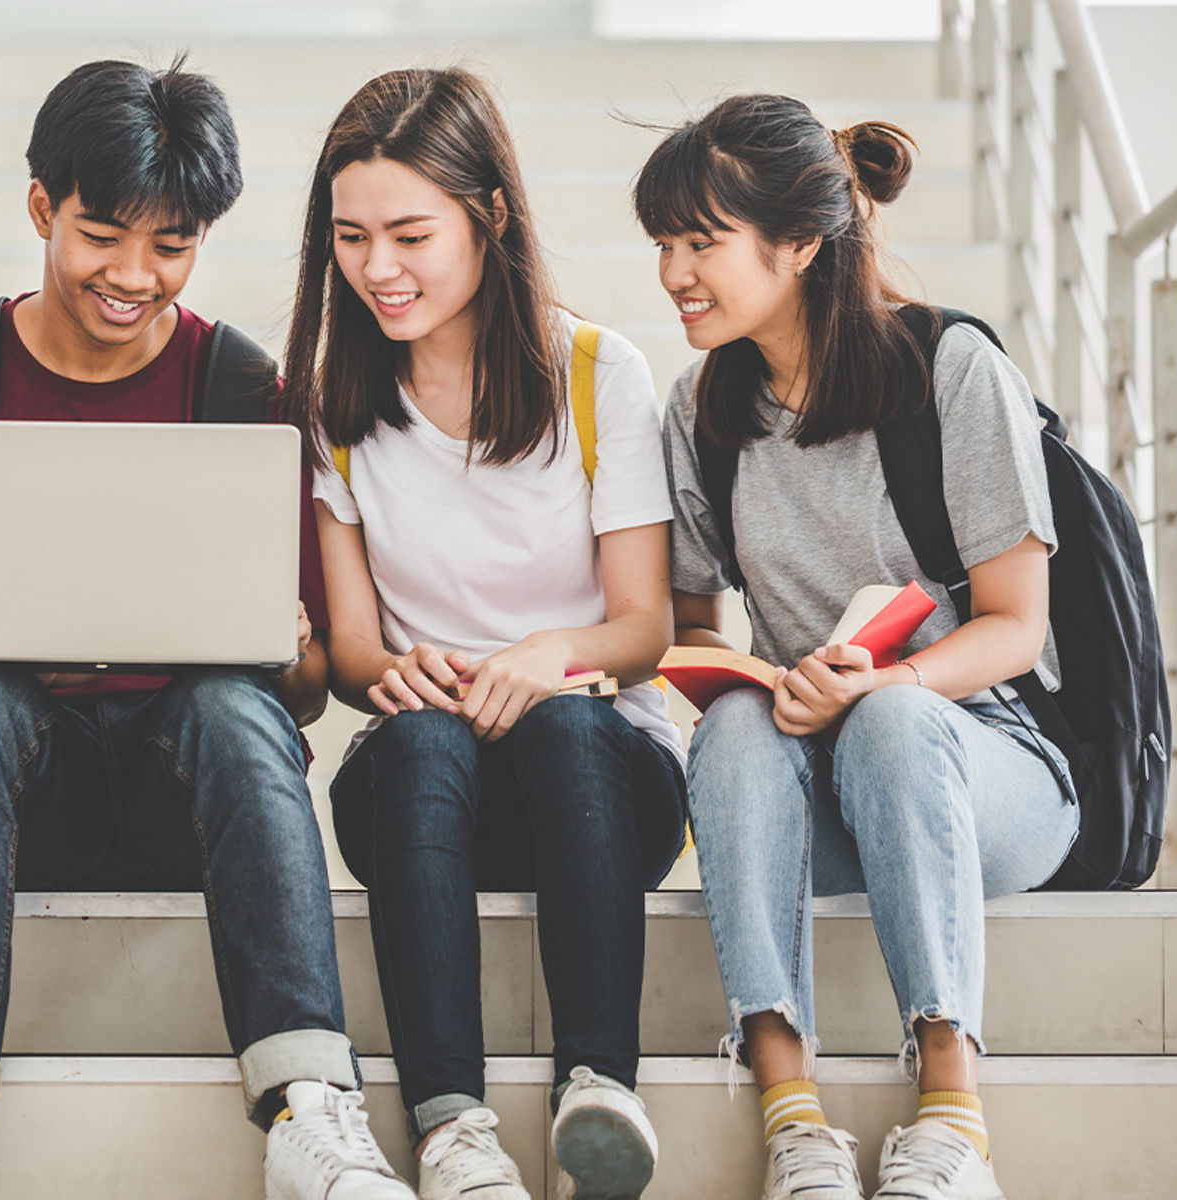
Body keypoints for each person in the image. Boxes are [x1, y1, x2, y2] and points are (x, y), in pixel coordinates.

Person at [0, 58, 413, 1200]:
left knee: (234, 705)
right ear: (42, 206)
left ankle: (310, 1105)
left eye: (173, 245)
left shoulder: (244, 391)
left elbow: (303, 681)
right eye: (104, 235)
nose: (134, 277)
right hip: (19, 793)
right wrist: (1, 648)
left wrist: (271, 644)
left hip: (183, 802)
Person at [636, 93, 1076, 1200]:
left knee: (889, 717)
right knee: (735, 721)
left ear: (796, 244)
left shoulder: (950, 371)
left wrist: (880, 681)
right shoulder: (700, 408)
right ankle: (792, 1116)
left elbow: (1015, 626)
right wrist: (738, 676)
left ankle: (950, 1115)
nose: (671, 272)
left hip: (982, 767)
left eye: (700, 242)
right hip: (818, 776)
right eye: (662, 243)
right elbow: (691, 624)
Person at [290, 68, 688, 1200]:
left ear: (489, 217)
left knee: (564, 728)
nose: (377, 268)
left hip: (599, 782)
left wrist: (544, 657)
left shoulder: (595, 372)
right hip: (429, 799)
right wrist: (400, 671)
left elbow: (643, 627)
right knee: (416, 741)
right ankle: (451, 1129)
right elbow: (357, 651)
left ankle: (597, 1090)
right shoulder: (334, 402)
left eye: (410, 234)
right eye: (352, 237)